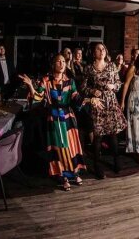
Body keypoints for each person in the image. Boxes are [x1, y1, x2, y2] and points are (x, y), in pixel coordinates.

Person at [19, 54, 102, 191]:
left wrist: (90, 100)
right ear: (53, 64)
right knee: (58, 148)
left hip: (68, 118)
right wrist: (30, 86)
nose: (62, 63)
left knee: (70, 147)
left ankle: (73, 173)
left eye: (63, 61)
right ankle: (62, 176)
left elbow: (76, 98)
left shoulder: (69, 81)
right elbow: (38, 97)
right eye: (59, 61)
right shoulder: (46, 80)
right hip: (54, 118)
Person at [81, 42, 127, 179]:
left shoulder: (112, 65)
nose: (101, 51)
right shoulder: (88, 68)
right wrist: (92, 90)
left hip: (111, 102)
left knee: (113, 134)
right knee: (98, 136)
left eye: (103, 49)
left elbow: (119, 83)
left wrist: (114, 86)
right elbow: (83, 87)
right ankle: (97, 165)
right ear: (93, 52)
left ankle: (116, 160)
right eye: (98, 49)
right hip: (98, 104)